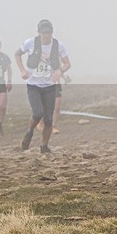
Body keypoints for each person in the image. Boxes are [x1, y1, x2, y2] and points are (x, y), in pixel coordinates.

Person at [14, 20, 71, 153]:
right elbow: (17, 54)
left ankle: (44, 146)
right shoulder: (30, 43)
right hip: (33, 85)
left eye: (49, 33)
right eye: (44, 33)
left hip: (50, 86)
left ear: (52, 33)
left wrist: (60, 71)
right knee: (38, 113)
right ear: (39, 33)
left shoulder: (58, 45)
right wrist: (22, 70)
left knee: (48, 118)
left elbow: (67, 63)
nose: (46, 35)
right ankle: (29, 131)